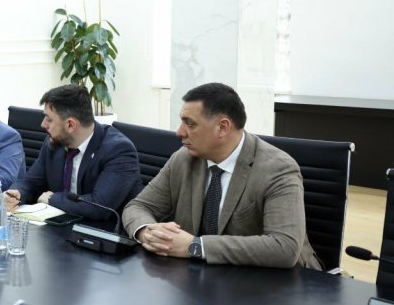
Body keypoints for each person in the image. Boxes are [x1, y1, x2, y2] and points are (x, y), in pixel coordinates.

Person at [122, 82, 322, 269]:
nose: (179, 132)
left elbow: (284, 247)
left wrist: (195, 246)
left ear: (222, 127)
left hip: (281, 284)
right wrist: (147, 232)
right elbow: (138, 206)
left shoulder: (278, 169)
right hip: (207, 278)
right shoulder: (184, 159)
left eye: (190, 124)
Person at [4, 85, 142, 222]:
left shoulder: (119, 150)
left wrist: (52, 198)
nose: (43, 124)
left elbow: (99, 207)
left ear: (70, 125)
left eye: (49, 119)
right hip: (59, 226)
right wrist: (17, 193)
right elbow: (31, 181)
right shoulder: (54, 143)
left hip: (99, 230)